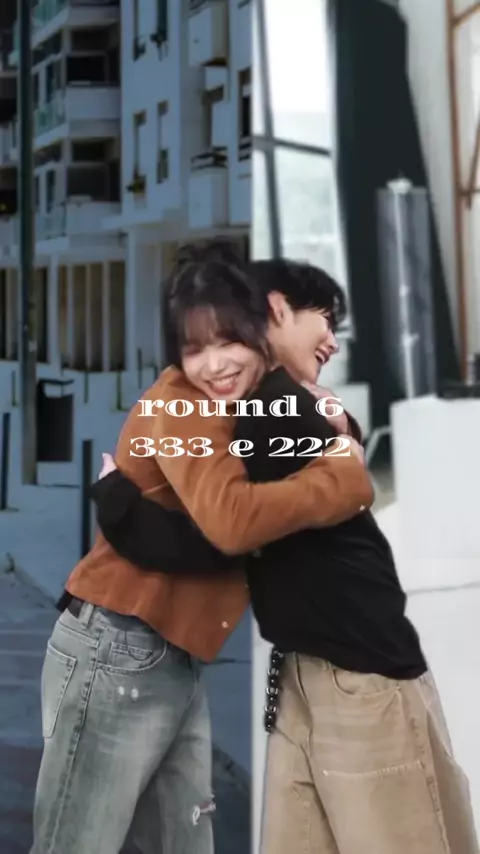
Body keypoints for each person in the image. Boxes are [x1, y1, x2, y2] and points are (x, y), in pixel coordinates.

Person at [92, 255, 479, 854]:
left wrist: (118, 503)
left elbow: (222, 535)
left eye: (227, 340)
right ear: (276, 310)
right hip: (317, 673)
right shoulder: (272, 406)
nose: (333, 339)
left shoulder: (272, 410)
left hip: (356, 673)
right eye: (325, 318)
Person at [30, 245, 372, 854]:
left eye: (229, 338)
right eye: (195, 346)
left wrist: (338, 433)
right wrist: (338, 479)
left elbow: (323, 446)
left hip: (172, 656)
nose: (214, 362)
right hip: (120, 644)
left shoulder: (255, 400)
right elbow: (231, 529)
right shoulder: (185, 403)